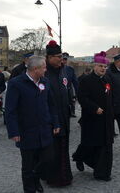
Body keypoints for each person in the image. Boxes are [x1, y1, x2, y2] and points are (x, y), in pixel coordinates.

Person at [5, 55, 60, 193]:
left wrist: (56, 123)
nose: (46, 70)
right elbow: (10, 110)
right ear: (35, 69)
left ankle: (36, 178)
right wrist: (14, 131)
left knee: (49, 158)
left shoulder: (45, 82)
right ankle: (30, 188)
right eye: (44, 67)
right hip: (26, 131)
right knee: (28, 166)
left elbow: (51, 104)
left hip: (45, 129)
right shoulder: (16, 83)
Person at [72, 51, 114, 181]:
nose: (103, 69)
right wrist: (95, 108)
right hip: (91, 119)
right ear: (95, 66)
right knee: (89, 143)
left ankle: (102, 173)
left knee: (104, 145)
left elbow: (109, 97)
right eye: (101, 66)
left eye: (105, 67)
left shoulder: (107, 79)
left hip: (105, 119)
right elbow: (82, 98)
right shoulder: (86, 80)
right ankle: (79, 157)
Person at [44, 40, 73, 186]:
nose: (61, 59)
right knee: (52, 150)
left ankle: (64, 175)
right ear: (49, 58)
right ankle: (52, 177)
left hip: (63, 116)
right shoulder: (44, 73)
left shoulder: (63, 71)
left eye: (61, 56)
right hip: (49, 119)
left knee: (63, 147)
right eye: (57, 56)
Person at [62, 52, 78, 117]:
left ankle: (72, 112)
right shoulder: (57, 69)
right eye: (63, 59)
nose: (64, 61)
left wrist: (78, 92)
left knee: (72, 101)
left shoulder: (70, 69)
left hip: (69, 88)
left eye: (65, 59)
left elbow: (75, 82)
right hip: (61, 89)